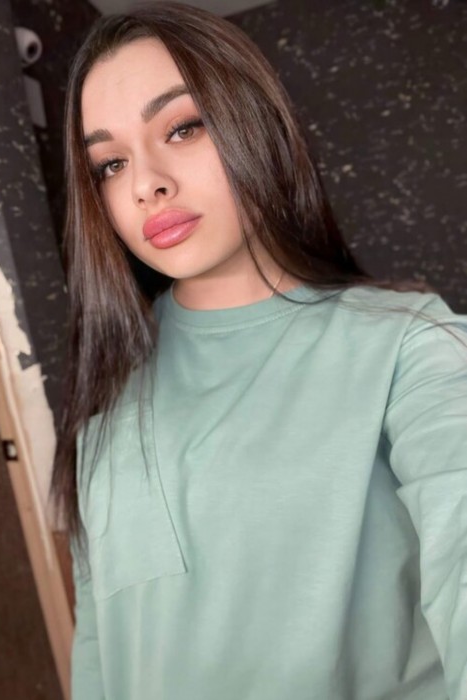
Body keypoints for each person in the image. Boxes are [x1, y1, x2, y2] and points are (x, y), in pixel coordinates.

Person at [51, 3, 467, 699]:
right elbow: (100, 655)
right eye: (110, 163)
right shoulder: (104, 405)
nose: (145, 183)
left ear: (258, 123)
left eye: (182, 127)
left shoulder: (411, 347)